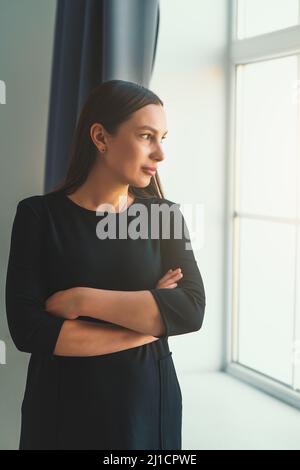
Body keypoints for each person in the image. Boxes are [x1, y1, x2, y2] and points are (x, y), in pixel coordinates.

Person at [5, 79, 206, 450]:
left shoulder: (165, 216)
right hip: (60, 411)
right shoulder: (37, 215)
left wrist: (82, 301)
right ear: (101, 137)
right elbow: (29, 331)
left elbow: (191, 311)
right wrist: (151, 317)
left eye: (163, 138)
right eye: (147, 136)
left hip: (146, 406)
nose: (160, 154)